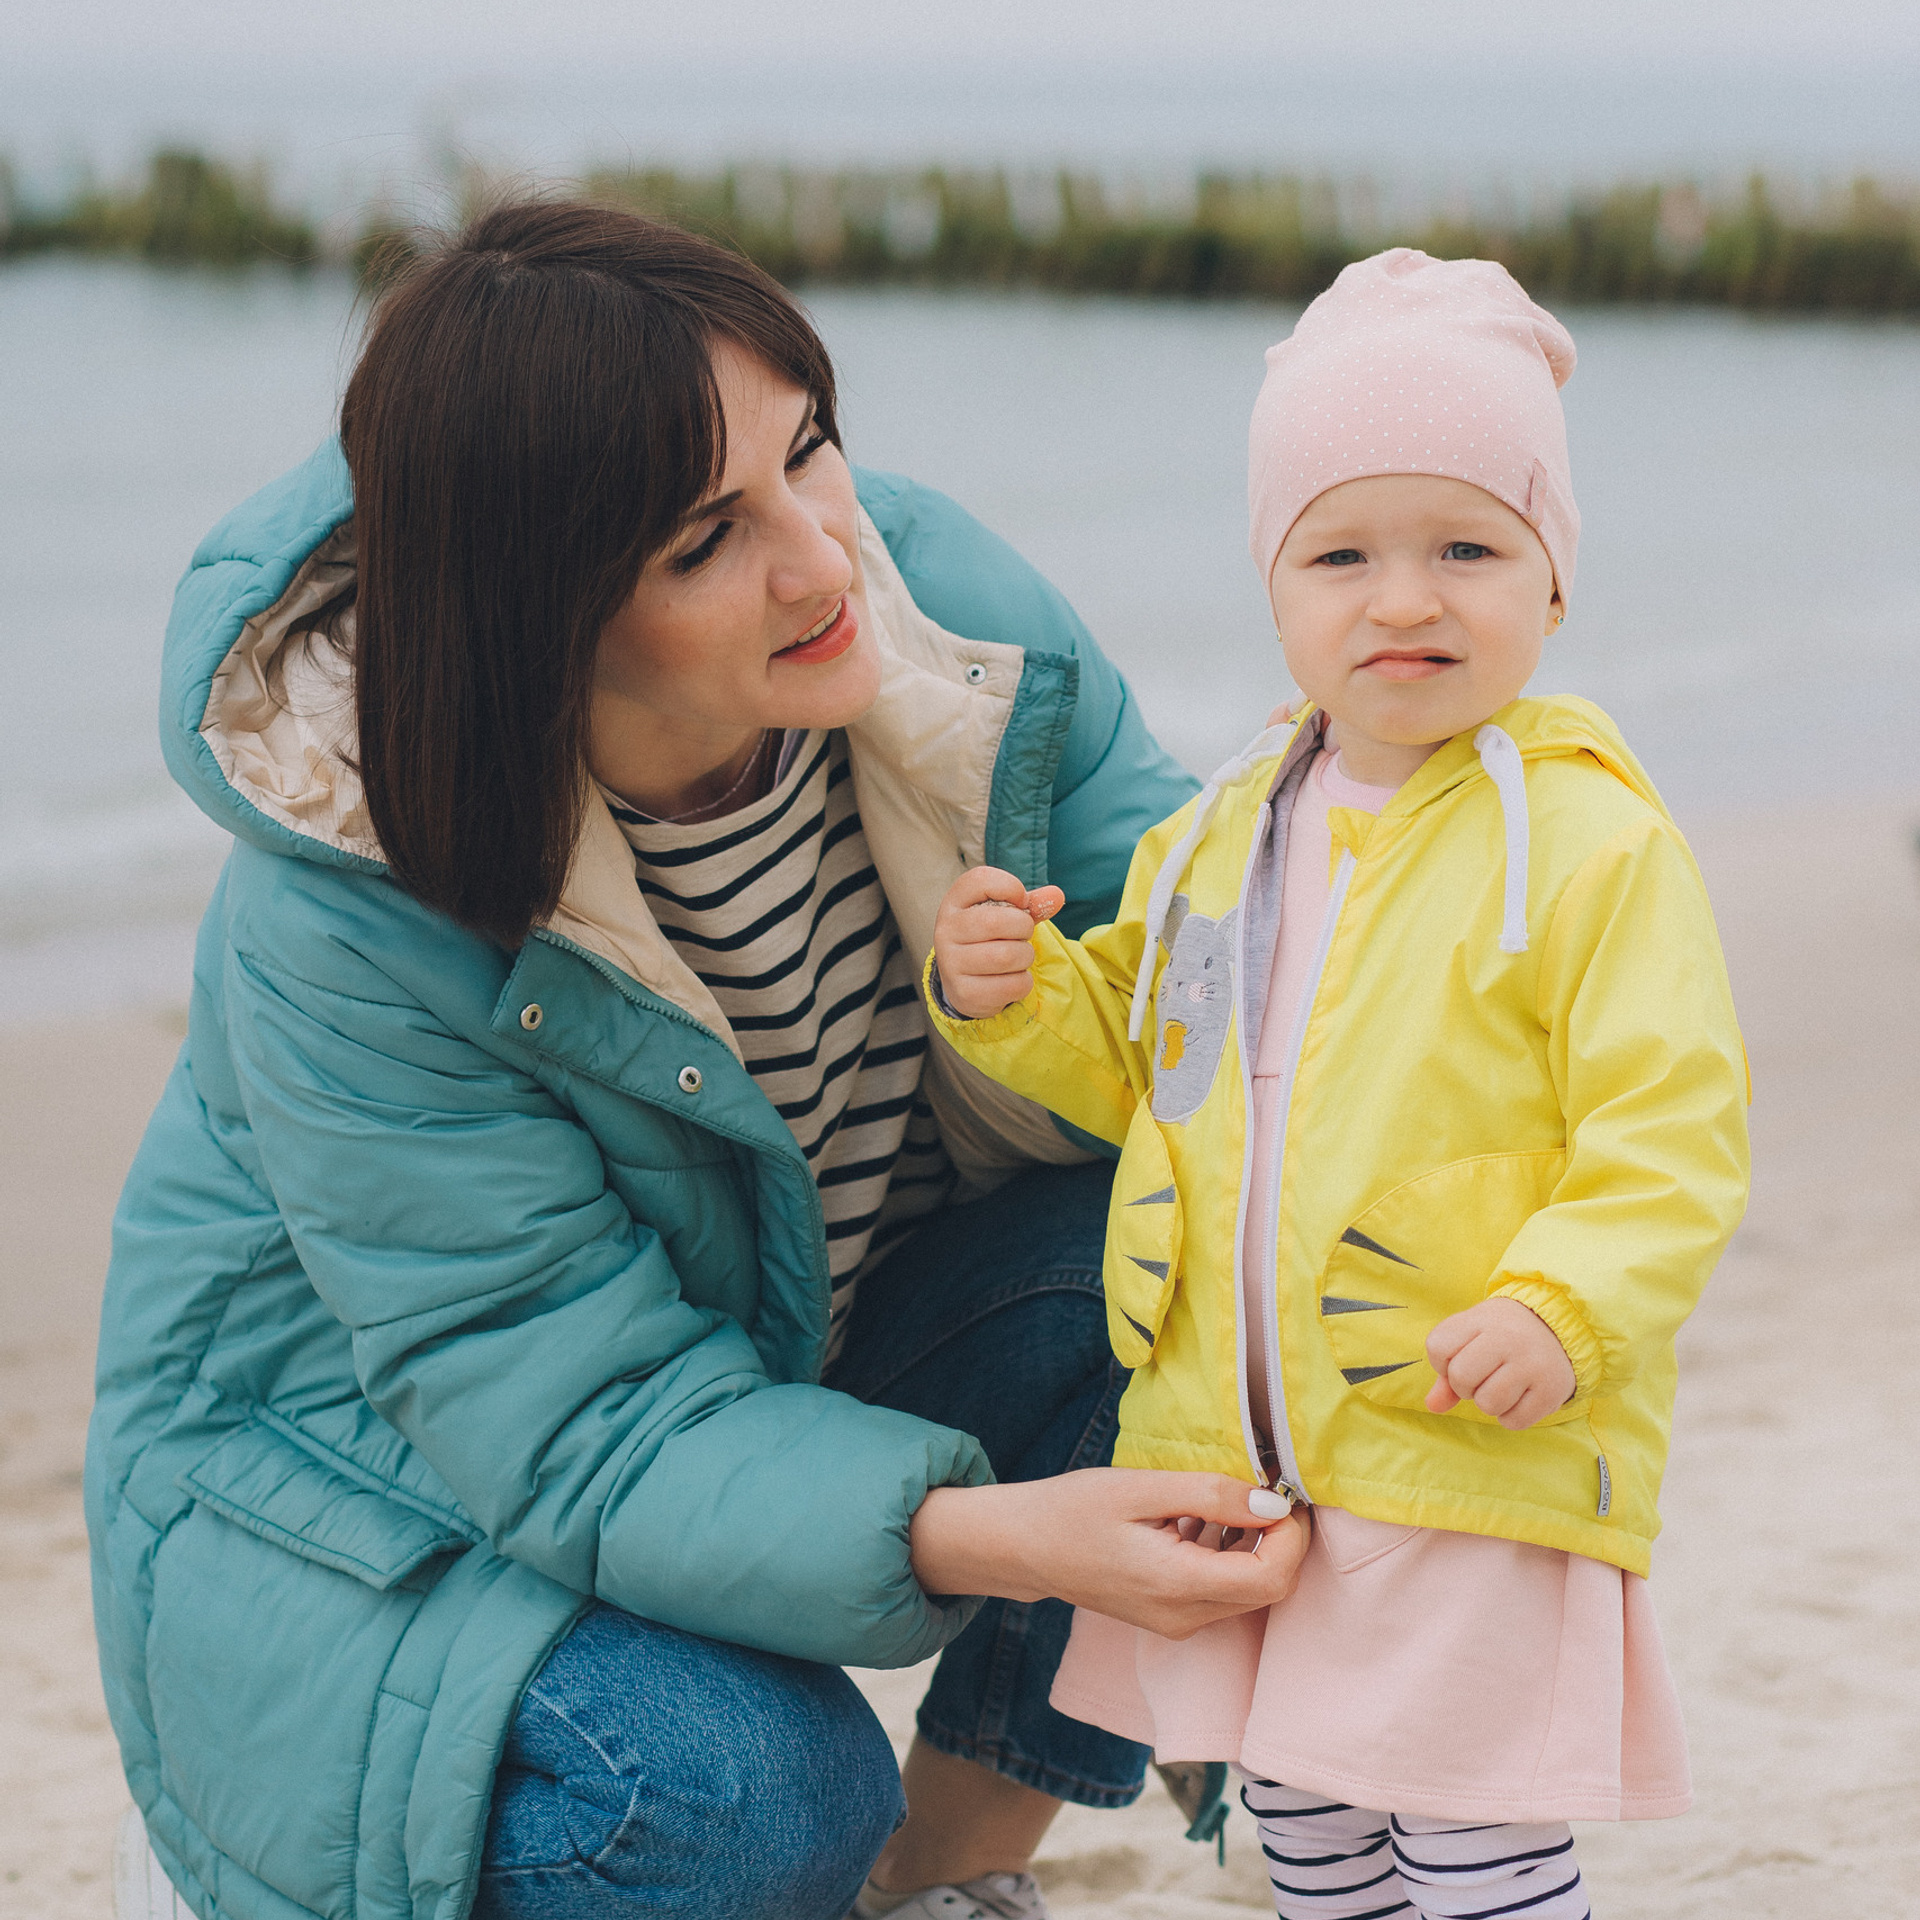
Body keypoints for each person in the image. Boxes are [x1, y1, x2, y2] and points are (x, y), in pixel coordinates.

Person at [87, 199, 1311, 1920]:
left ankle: (935, 1886)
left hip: (771, 1360)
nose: (825, 558)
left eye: (809, 450)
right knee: (742, 1792)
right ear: (541, 615)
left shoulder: (942, 624)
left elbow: (1228, 1001)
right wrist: (1009, 1533)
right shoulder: (350, 913)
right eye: (701, 540)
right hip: (376, 1504)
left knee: (1219, 1283)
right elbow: (581, 1423)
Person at [925, 249, 1752, 1920]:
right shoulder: (1222, 834)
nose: (1404, 600)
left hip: (1457, 1422)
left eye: (1468, 548)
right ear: (1276, 584)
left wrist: (1563, 1305)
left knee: (1462, 1825)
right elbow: (1142, 1068)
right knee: (1305, 1820)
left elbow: (1671, 1129)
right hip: (1243, 1446)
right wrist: (1008, 1001)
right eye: (1343, 553)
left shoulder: (1590, 844)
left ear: (1553, 581)